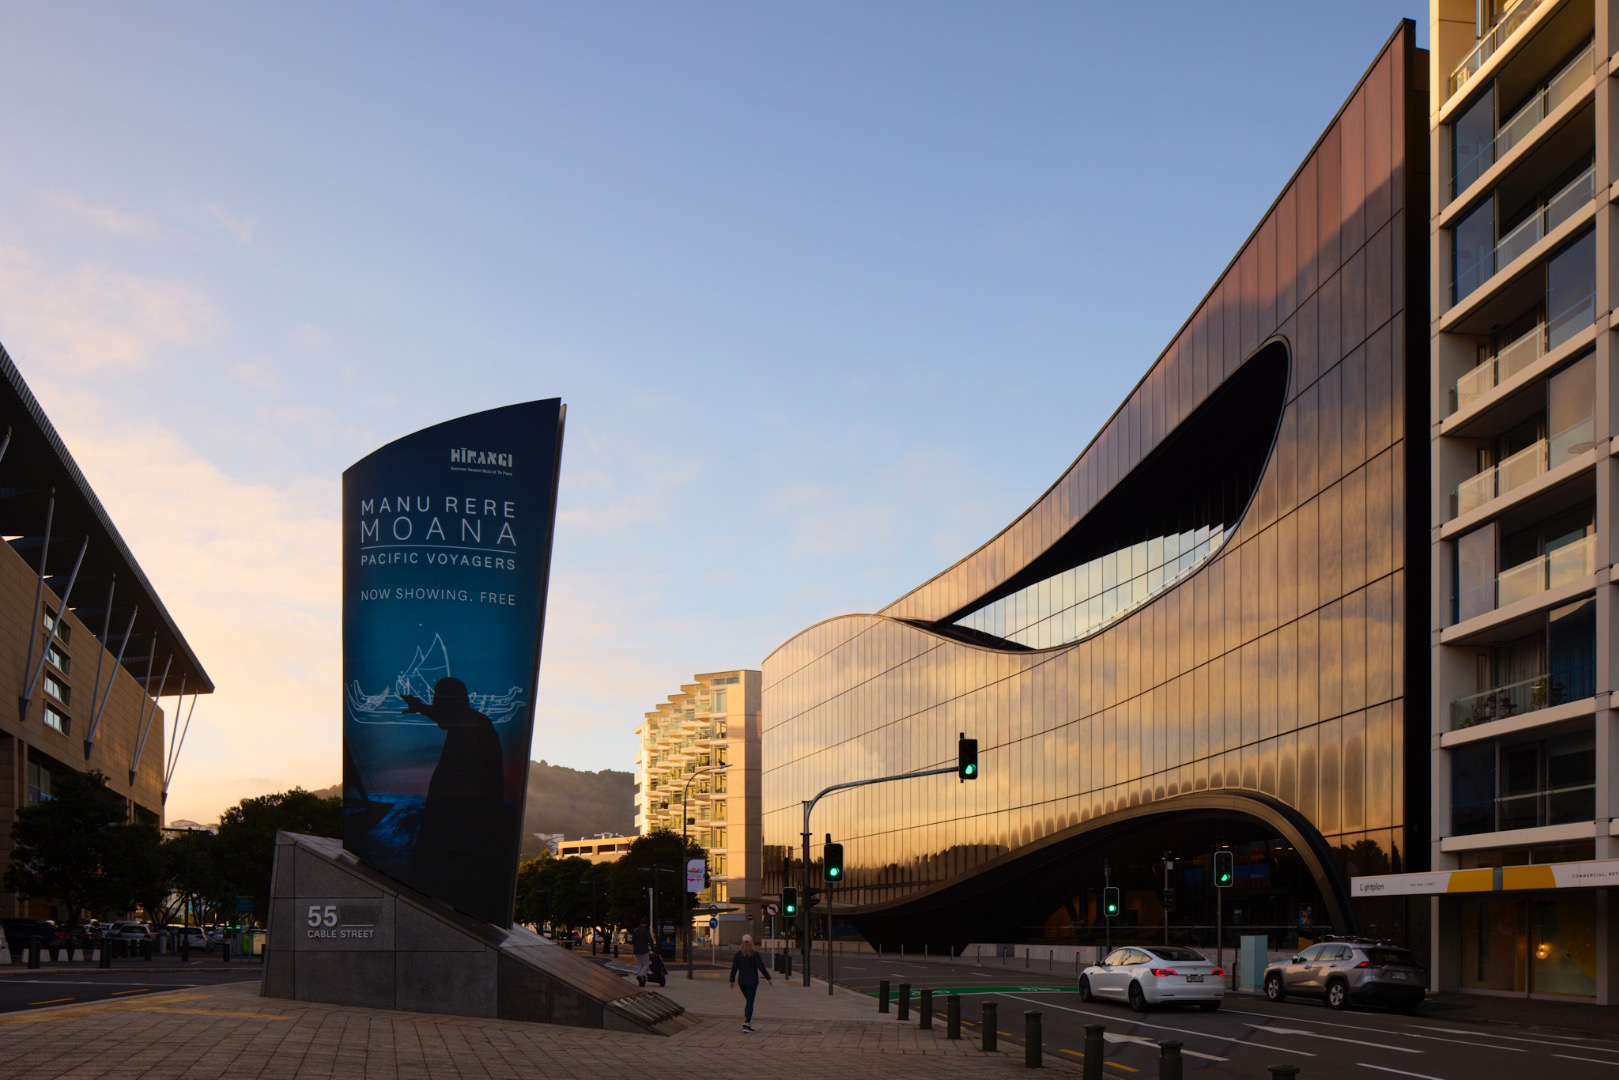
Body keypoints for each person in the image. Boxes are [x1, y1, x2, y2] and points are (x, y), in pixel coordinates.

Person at [728, 933, 772, 1032]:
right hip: (752, 982)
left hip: (742, 982)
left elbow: (734, 969)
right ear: (751, 943)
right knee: (750, 1002)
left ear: (742, 943)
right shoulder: (755, 954)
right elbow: (761, 967)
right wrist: (768, 978)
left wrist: (732, 981)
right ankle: (746, 1023)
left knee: (749, 1001)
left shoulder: (738, 955)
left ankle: (747, 1023)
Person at [631, 919, 653, 986]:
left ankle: (640, 978)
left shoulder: (635, 931)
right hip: (644, 950)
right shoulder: (646, 931)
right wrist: (653, 948)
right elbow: (650, 940)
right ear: (645, 924)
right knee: (646, 965)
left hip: (636, 950)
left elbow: (633, 941)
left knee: (639, 964)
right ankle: (640, 975)